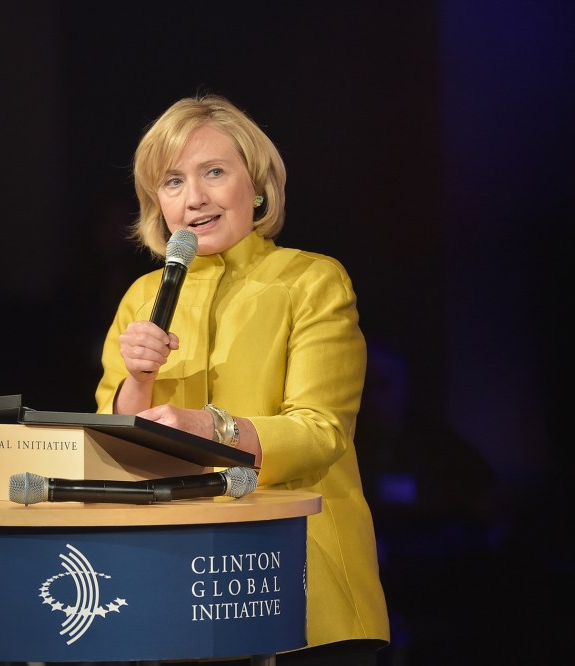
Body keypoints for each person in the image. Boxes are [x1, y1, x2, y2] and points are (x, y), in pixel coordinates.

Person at [95, 94, 390, 664]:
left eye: (214, 172)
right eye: (173, 181)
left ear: (256, 187)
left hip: (304, 586)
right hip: (180, 593)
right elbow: (115, 457)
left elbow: (319, 433)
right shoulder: (141, 298)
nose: (194, 198)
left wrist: (207, 429)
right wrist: (137, 380)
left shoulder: (312, 280)